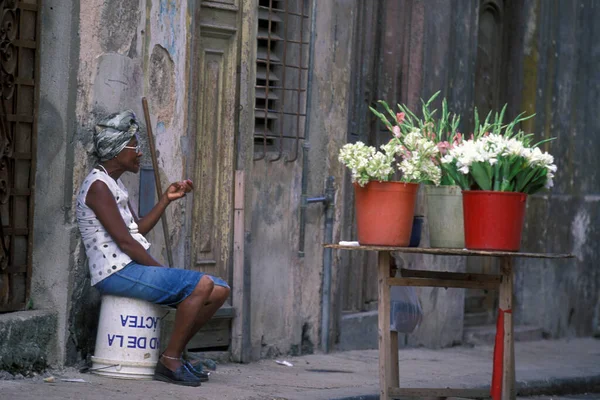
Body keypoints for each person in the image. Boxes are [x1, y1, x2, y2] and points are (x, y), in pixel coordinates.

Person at [75, 110, 230, 387]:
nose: (140, 153)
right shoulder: (98, 187)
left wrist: (165, 200)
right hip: (115, 272)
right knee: (201, 285)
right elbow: (125, 243)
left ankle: (177, 352)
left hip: (129, 268)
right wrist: (161, 271)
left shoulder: (112, 184)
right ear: (117, 150)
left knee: (219, 290)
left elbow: (136, 230)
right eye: (135, 147)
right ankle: (169, 360)